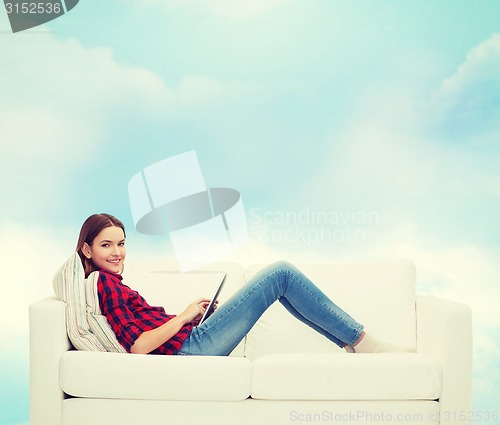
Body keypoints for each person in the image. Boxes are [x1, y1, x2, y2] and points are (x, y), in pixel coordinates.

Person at [76, 213, 407, 356]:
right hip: (190, 350)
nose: (117, 252)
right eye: (106, 245)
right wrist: (182, 318)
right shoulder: (104, 285)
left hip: (190, 340)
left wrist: (190, 316)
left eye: (121, 243)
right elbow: (138, 347)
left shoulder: (113, 283)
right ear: (87, 249)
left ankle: (353, 344)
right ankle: (363, 342)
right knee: (280, 274)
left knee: (281, 282)